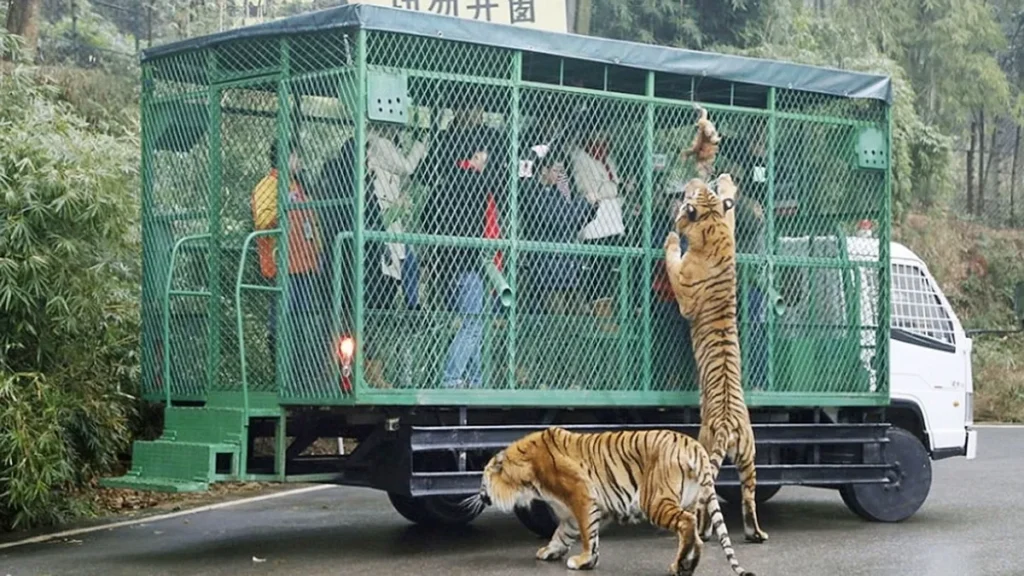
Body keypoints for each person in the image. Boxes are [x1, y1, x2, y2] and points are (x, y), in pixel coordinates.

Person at [423, 126, 503, 389]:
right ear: (476, 156)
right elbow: (498, 187)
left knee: (473, 325)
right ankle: (451, 377)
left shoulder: (443, 185)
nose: (486, 162)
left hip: (447, 266)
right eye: (484, 156)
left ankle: (474, 380)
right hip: (470, 264)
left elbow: (426, 218)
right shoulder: (477, 183)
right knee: (473, 325)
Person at [250, 139, 325, 389]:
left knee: (301, 319)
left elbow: (311, 221)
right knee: (281, 318)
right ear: (285, 157)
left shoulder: (298, 186)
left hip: (305, 264)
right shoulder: (267, 186)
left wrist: (318, 251)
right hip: (282, 263)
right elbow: (261, 221)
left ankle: (300, 376)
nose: (300, 162)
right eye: (296, 156)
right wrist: (283, 207)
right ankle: (282, 376)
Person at [520, 144, 595, 315]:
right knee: (557, 316)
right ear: (544, 170)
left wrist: (591, 208)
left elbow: (574, 221)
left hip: (568, 267)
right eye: (556, 170)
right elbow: (557, 218)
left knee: (580, 314)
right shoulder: (533, 192)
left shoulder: (560, 192)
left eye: (562, 171)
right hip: (548, 270)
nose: (560, 176)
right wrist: (533, 152)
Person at [366, 125, 429, 310]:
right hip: (383, 212)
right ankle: (411, 305)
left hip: (391, 214)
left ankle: (412, 303)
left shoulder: (387, 145)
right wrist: (420, 142)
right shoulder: (379, 143)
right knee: (400, 261)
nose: (397, 132)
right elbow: (407, 167)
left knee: (407, 260)